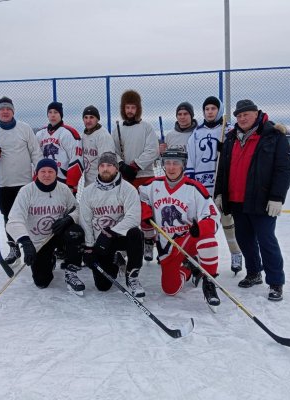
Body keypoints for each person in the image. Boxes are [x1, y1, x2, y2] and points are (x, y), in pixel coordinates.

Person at [214, 99, 290, 301]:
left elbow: (283, 169)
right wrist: (220, 193)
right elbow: (223, 169)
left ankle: (276, 282)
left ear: (256, 113)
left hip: (262, 200)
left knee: (266, 240)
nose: (242, 118)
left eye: (245, 114)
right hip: (237, 200)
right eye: (239, 116)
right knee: (245, 240)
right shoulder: (231, 138)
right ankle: (254, 272)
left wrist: (277, 197)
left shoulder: (273, 135)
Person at [139, 149, 221, 311]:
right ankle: (189, 268)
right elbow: (138, 197)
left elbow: (212, 215)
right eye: (167, 163)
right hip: (167, 245)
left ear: (183, 166)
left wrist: (201, 227)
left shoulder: (194, 188)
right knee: (170, 290)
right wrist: (145, 210)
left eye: (176, 163)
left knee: (207, 239)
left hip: (188, 239)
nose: (171, 167)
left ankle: (209, 281)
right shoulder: (152, 185)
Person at [6, 158, 86, 295]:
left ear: (56, 173)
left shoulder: (63, 189)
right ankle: (50, 259)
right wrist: (25, 242)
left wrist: (69, 218)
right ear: (37, 173)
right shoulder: (26, 191)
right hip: (38, 241)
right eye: (43, 171)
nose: (47, 175)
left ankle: (71, 271)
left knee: (75, 232)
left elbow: (77, 210)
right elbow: (13, 221)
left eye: (51, 171)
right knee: (42, 282)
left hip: (58, 234)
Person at [186, 96, 244, 275]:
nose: (210, 112)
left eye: (213, 108)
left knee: (227, 222)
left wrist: (225, 148)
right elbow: (191, 158)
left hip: (221, 185)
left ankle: (236, 253)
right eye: (207, 109)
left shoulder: (229, 131)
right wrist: (192, 183)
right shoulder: (196, 133)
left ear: (218, 110)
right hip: (202, 186)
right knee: (202, 224)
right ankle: (197, 257)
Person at [0, 96, 42, 264]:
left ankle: (33, 244)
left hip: (25, 183)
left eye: (8, 109)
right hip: (4, 183)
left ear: (13, 111)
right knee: (9, 217)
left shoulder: (24, 128)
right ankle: (13, 247)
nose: (5, 112)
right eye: (2, 109)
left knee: (30, 216)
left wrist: (39, 173)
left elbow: (36, 152)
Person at [79, 152, 144, 298]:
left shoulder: (128, 189)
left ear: (116, 169)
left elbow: (133, 218)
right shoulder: (89, 192)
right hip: (101, 242)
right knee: (103, 286)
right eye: (102, 165)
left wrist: (111, 232)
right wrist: (89, 247)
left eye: (109, 165)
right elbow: (85, 220)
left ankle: (132, 276)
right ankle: (116, 260)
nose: (105, 169)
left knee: (136, 233)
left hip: (119, 237)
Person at [112, 89, 159, 262]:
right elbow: (113, 151)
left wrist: (135, 165)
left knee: (146, 211)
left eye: (133, 107)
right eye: (127, 107)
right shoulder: (117, 129)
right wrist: (121, 165)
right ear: (123, 109)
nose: (130, 111)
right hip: (125, 177)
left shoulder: (147, 127)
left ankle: (148, 242)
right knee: (126, 211)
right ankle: (124, 244)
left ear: (138, 109)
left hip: (144, 175)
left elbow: (152, 150)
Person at [35, 101, 84, 194]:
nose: (52, 115)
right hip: (43, 181)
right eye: (50, 112)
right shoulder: (40, 134)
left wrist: (71, 183)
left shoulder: (68, 133)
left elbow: (77, 160)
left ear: (61, 114)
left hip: (62, 181)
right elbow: (35, 157)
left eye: (56, 112)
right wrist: (36, 177)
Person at [80, 105, 116, 188]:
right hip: (89, 182)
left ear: (97, 119)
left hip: (102, 182)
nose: (88, 120)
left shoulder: (103, 136)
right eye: (86, 117)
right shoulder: (84, 135)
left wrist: (105, 183)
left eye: (91, 117)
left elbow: (107, 163)